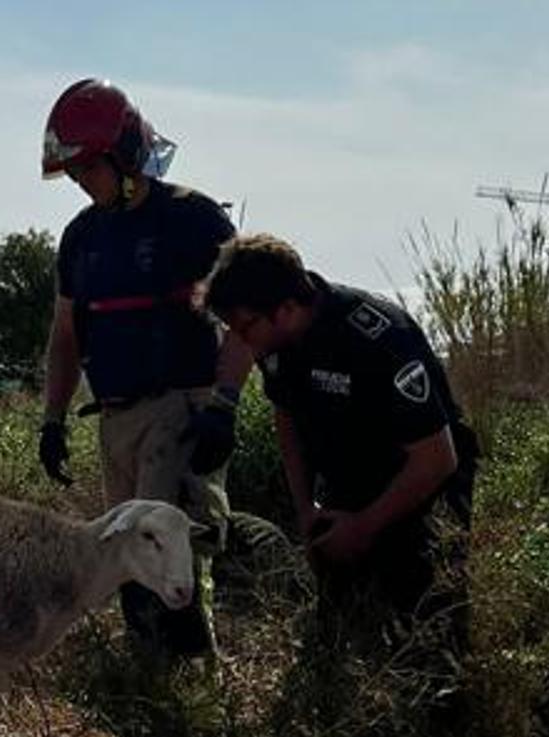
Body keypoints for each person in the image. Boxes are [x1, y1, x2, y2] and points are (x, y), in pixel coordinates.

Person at [36, 78, 251, 660]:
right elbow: (65, 336)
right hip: (116, 418)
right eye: (74, 175)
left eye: (88, 170)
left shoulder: (194, 220)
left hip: (181, 406)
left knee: (160, 549)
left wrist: (224, 406)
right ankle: (155, 677)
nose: (81, 184)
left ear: (123, 154)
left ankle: (185, 682)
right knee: (126, 558)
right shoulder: (81, 238)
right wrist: (52, 420)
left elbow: (246, 320)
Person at [203, 234, 478, 626]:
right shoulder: (275, 344)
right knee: (339, 622)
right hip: (347, 483)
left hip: (422, 491)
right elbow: (288, 419)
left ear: (286, 308)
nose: (243, 342)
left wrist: (365, 527)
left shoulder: (378, 338)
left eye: (245, 328)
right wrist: (305, 510)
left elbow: (436, 458)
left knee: (425, 627)